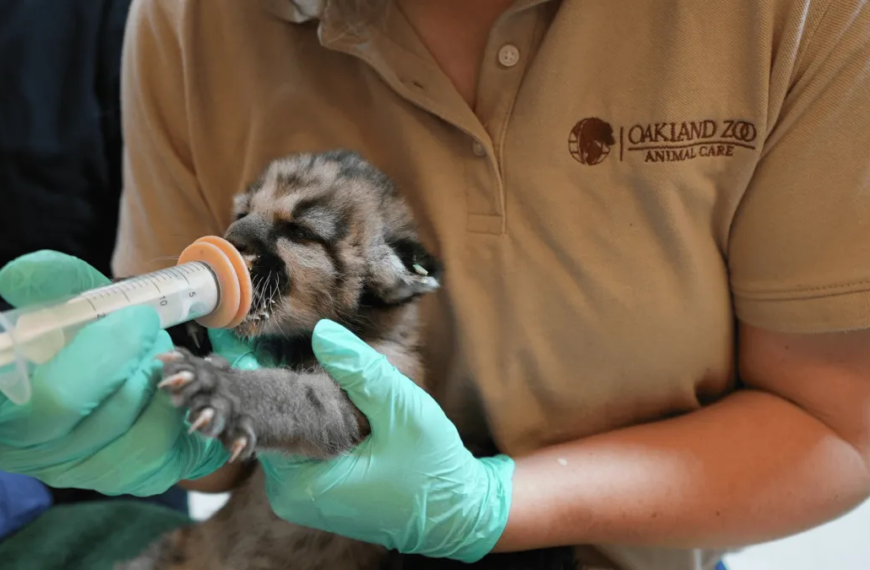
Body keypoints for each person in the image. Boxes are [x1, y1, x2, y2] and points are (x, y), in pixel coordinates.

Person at [0, 1, 869, 569]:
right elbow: (216, 452)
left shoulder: (797, 20)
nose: (246, 240)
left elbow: (834, 426)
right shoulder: (192, 23)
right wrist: (134, 410)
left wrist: (488, 506)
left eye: (294, 232)